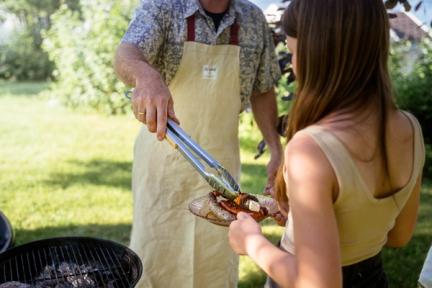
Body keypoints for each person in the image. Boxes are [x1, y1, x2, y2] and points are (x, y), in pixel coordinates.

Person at [228, 0, 426, 287]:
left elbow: (319, 283)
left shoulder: (311, 149)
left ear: (319, 56)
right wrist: (308, 223)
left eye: (295, 53)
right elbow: (399, 235)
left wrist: (252, 242)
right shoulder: (409, 127)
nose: (294, 67)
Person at [114, 0, 282, 287]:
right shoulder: (164, 8)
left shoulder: (252, 19)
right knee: (156, 255)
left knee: (215, 261)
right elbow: (126, 53)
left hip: (221, 170)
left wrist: (276, 149)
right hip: (163, 162)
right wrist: (147, 76)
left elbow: (263, 89)